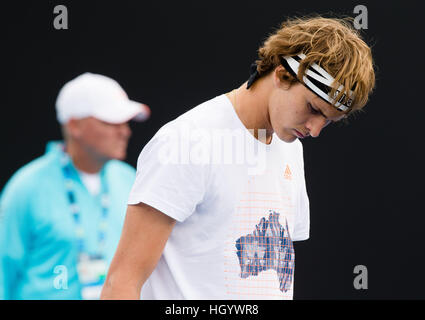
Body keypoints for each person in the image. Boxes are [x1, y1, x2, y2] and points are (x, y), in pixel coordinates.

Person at [101, 16, 376, 300]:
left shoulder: (291, 146)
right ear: (282, 76)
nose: (315, 129)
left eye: (329, 121)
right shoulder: (187, 140)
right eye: (313, 108)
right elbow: (121, 284)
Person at [0, 72, 150, 300]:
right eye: (111, 121)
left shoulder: (131, 180)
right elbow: (4, 271)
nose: (125, 131)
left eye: (126, 122)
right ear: (74, 125)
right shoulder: (26, 186)